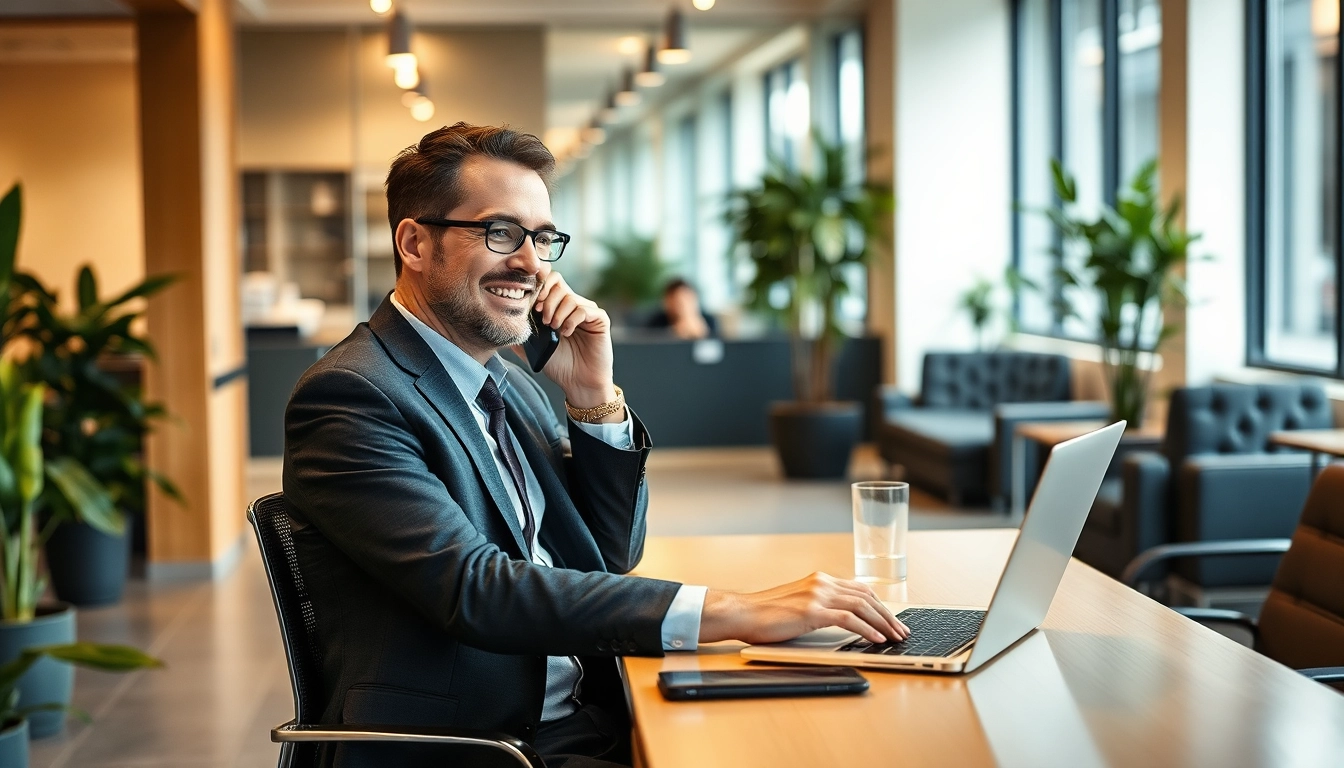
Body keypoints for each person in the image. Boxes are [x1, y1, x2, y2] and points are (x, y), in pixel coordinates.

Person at [282, 122, 909, 768]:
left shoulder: (512, 384)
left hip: (585, 714)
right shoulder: (353, 396)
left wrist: (592, 394)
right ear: (414, 243)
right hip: (491, 746)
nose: (530, 263)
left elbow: (608, 552)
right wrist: (734, 610)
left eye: (542, 238)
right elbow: (475, 589)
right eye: (500, 233)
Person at [646, 278, 717, 340]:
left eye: (686, 299)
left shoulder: (709, 321)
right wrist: (675, 333)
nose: (682, 305)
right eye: (677, 301)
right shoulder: (656, 322)